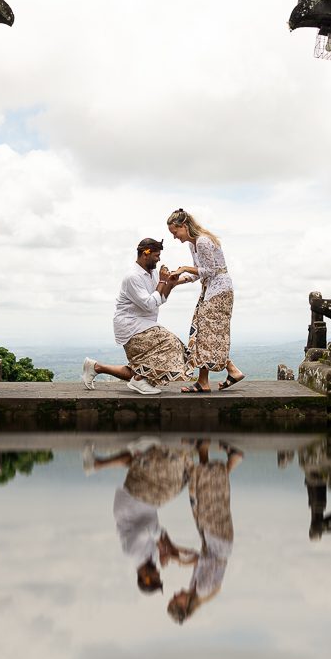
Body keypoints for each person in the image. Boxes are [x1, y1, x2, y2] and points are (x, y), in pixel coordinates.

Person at [85, 439, 198, 595]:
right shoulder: (151, 558)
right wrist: (177, 555)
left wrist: (168, 548)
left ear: (146, 578)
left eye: (156, 579)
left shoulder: (133, 553)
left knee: (171, 484)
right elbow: (161, 534)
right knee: (182, 479)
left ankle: (147, 451)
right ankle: (101, 463)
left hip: (132, 505)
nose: (159, 574)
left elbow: (150, 529)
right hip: (145, 505)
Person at [82, 237, 189, 395]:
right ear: (145, 254)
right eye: (156, 255)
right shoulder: (133, 277)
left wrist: (169, 284)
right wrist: (162, 281)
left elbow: (159, 298)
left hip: (144, 324)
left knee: (142, 370)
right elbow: (149, 304)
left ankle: (96, 367)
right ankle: (139, 381)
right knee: (171, 343)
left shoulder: (151, 274)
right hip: (131, 325)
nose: (159, 259)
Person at [166, 209, 246, 393]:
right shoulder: (193, 244)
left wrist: (184, 268)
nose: (174, 237)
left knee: (207, 333)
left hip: (219, 292)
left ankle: (209, 379)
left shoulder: (202, 241)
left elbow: (209, 270)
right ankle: (228, 371)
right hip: (211, 290)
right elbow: (199, 272)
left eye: (175, 232)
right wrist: (177, 281)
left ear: (184, 227)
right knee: (206, 333)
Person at [167, 439, 243, 624]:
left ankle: (230, 458)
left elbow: (197, 558)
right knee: (205, 496)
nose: (175, 593)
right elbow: (205, 560)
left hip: (214, 541)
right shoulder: (203, 590)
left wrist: (173, 549)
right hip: (219, 540)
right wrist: (178, 559)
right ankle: (204, 449)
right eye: (175, 599)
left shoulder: (196, 587)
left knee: (205, 496)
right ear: (184, 606)